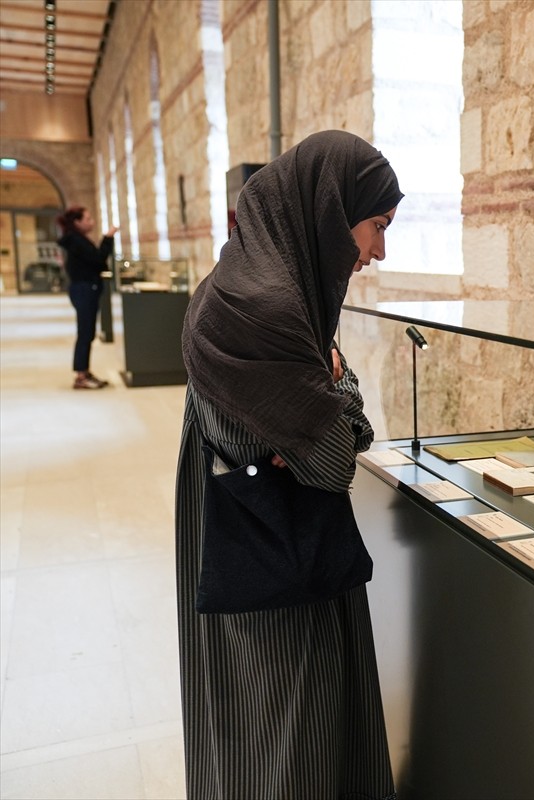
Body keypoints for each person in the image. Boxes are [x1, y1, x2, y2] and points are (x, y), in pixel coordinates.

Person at [176, 130, 402, 798]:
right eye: (377, 227)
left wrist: (333, 400)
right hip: (274, 566)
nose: (378, 251)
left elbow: (345, 427)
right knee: (286, 734)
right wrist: (337, 395)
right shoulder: (262, 314)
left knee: (283, 729)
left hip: (269, 541)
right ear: (331, 212)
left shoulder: (262, 291)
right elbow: (335, 461)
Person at [56, 206, 117, 389]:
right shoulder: (75, 241)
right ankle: (81, 375)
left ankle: (84, 371)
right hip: (84, 289)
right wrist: (108, 238)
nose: (92, 222)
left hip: (84, 288)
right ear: (77, 222)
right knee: (85, 332)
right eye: (88, 219)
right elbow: (98, 259)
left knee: (87, 332)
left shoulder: (75, 240)